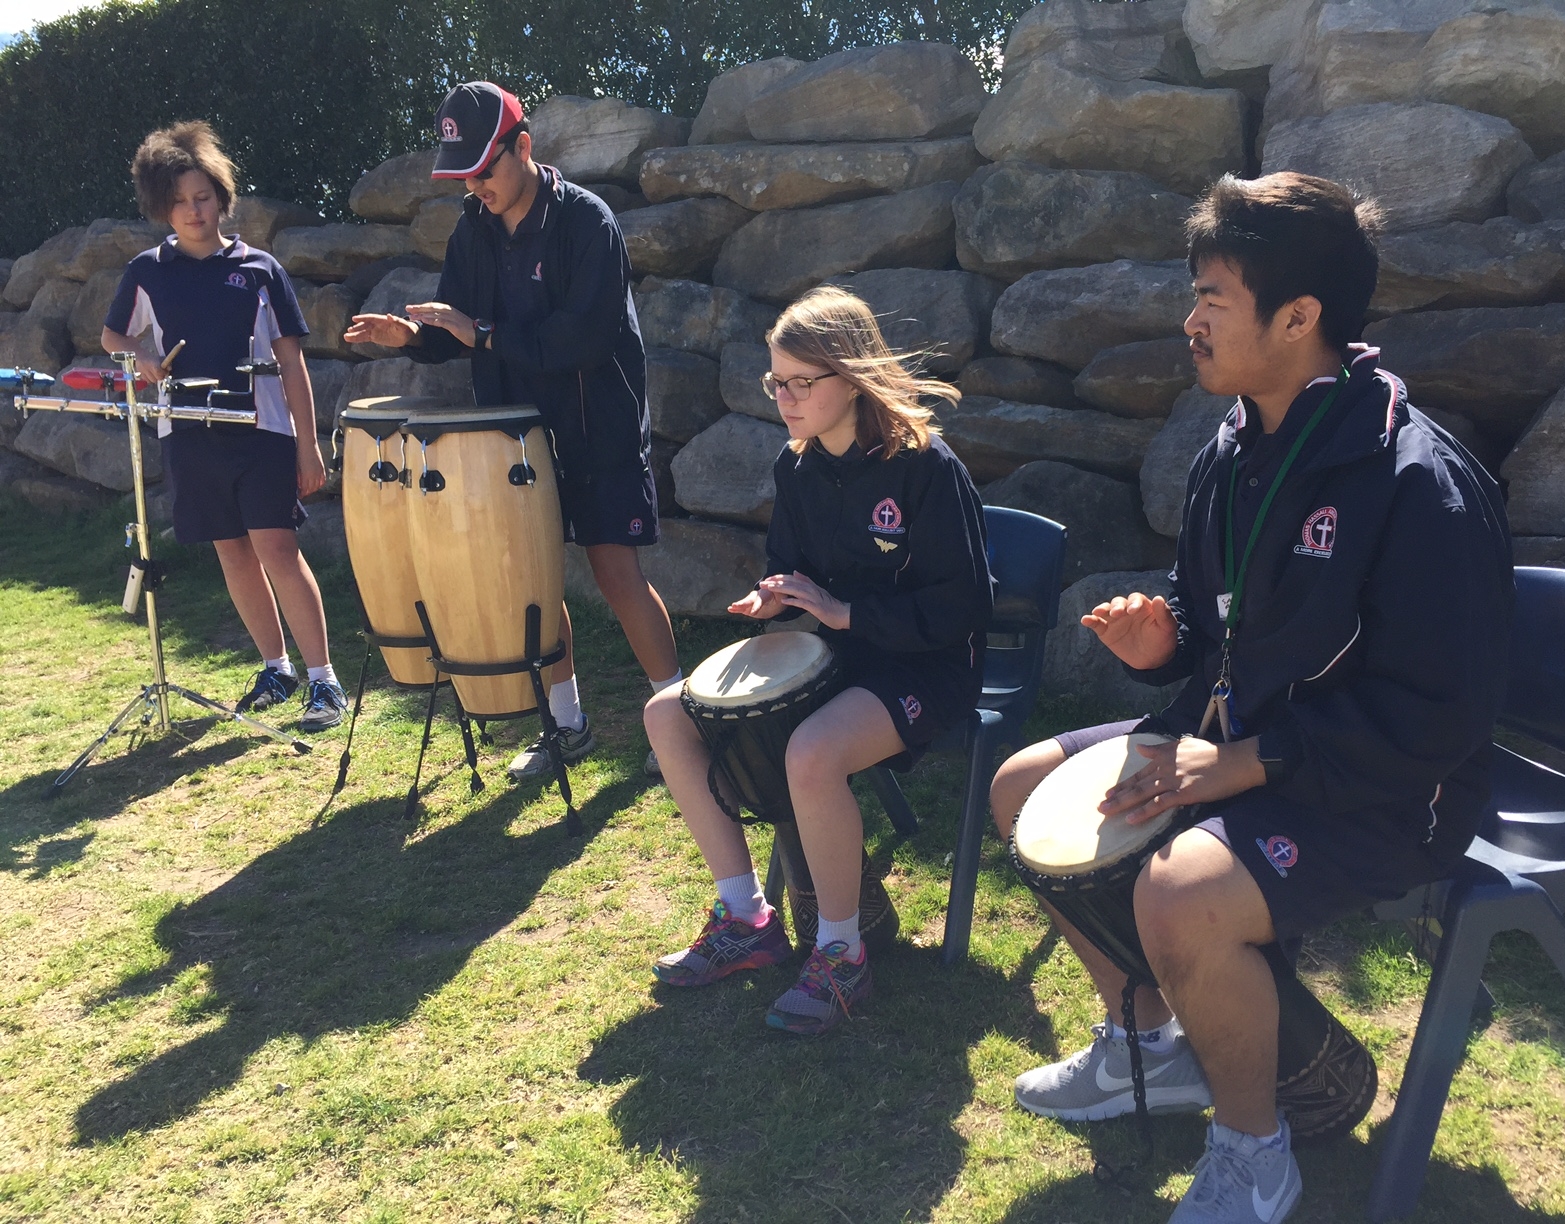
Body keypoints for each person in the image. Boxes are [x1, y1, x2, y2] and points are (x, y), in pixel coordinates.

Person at [988, 173, 1512, 1222]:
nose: (1190, 320)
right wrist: (1159, 640)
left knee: (1176, 891)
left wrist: (1243, 764)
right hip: (1235, 740)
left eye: (1213, 299)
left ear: (1299, 317)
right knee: (1021, 788)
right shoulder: (1234, 446)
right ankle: (1147, 1041)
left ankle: (1254, 1154)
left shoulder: (1418, 479)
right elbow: (1203, 615)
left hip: (1386, 790)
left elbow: (1437, 721)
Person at [644, 286, 993, 1034]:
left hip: (928, 668)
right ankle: (746, 917)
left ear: (856, 377)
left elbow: (965, 611)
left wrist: (845, 614)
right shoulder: (796, 467)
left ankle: (842, 956)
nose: (787, 398)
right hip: (835, 659)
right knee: (667, 712)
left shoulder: (928, 469)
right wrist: (779, 599)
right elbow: (793, 570)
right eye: (778, 381)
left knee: (812, 750)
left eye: (805, 383)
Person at [343, 81, 679, 779]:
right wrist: (409, 336)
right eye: (461, 173)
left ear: (522, 147)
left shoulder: (589, 222)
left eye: (484, 168)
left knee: (618, 577)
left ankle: (676, 724)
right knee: (534, 583)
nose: (474, 184)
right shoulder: (473, 228)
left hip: (599, 432)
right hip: (517, 440)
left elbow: (580, 341)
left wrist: (480, 331)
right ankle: (566, 726)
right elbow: (460, 331)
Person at [103, 121, 347, 732]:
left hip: (263, 434)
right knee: (232, 554)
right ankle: (276, 668)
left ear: (221, 196)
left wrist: (309, 445)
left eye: (203, 197)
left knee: (278, 551)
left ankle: (325, 682)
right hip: (186, 434)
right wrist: (141, 358)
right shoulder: (145, 271)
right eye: (180, 201)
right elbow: (113, 335)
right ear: (163, 207)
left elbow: (293, 363)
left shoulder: (261, 268)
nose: (193, 211)